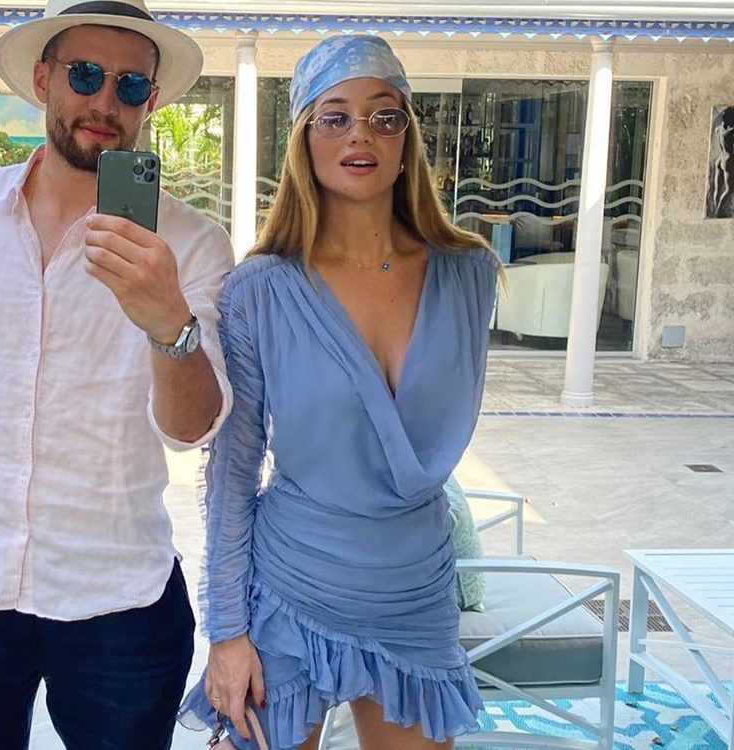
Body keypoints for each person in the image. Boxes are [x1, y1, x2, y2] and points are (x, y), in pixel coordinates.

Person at [0, 1, 234, 748]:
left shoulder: (190, 243)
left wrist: (167, 322)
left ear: (152, 100)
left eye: (130, 85)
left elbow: (192, 431)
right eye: (85, 75)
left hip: (117, 593)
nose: (105, 102)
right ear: (43, 80)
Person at [179, 36, 501, 750]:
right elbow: (233, 469)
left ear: (407, 136)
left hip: (414, 591)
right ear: (304, 137)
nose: (361, 134)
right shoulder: (261, 289)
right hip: (291, 587)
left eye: (385, 116)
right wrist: (226, 632)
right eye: (335, 117)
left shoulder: (469, 275)